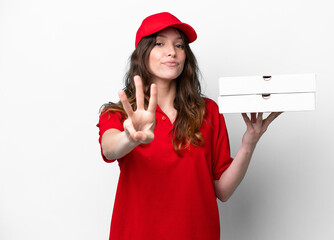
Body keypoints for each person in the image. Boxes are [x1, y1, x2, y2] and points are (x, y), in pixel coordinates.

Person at [96, 12, 281, 240]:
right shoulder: (120, 113)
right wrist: (130, 137)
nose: (172, 51)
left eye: (180, 45)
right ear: (142, 54)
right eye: (160, 43)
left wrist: (249, 144)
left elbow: (222, 190)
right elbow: (109, 147)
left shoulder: (208, 111)